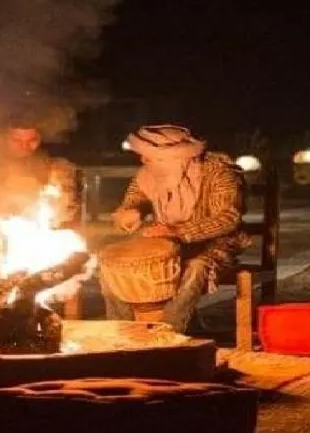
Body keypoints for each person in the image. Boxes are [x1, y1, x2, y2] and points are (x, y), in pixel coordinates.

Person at [103, 125, 249, 333]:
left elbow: (228, 218)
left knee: (195, 267)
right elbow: (133, 201)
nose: (143, 161)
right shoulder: (148, 174)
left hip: (214, 246)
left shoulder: (219, 173)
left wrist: (178, 231)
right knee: (111, 266)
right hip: (166, 244)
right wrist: (130, 212)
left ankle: (169, 333)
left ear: (172, 158)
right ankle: (121, 332)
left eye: (150, 157)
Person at [0, 122, 79, 239]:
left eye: (32, 140)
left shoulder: (52, 167)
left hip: (34, 236)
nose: (25, 146)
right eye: (17, 140)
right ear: (3, 138)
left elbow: (64, 206)